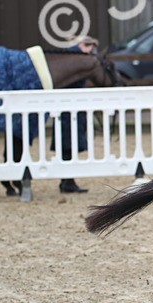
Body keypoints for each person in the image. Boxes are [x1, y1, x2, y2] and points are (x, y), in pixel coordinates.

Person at [54, 35, 99, 194]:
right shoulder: (77, 60)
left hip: (69, 109)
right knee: (68, 145)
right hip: (69, 110)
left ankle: (68, 180)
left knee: (69, 146)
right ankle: (67, 181)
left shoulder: (69, 59)